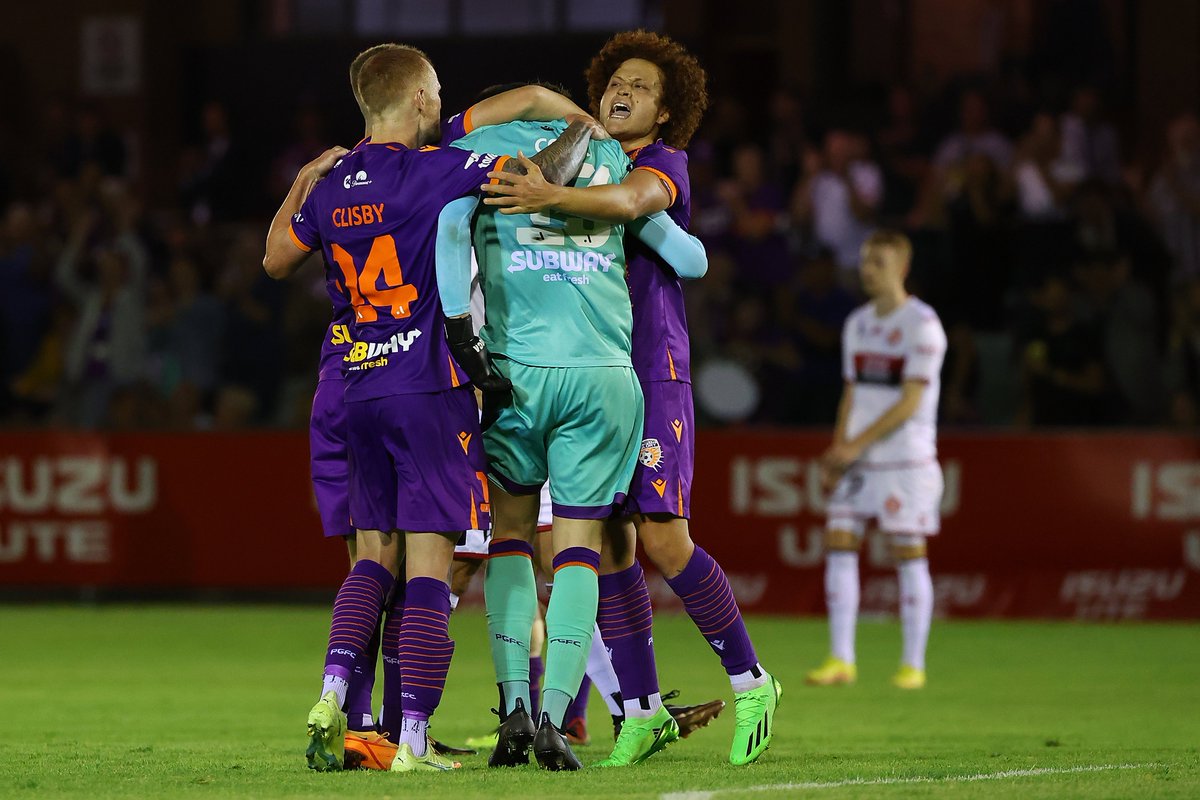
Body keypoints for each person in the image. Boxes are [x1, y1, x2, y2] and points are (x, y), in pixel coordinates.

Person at [263, 43, 598, 773]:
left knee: (369, 561)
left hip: (354, 389)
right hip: (425, 387)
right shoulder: (436, 169)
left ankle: (333, 694)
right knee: (429, 572)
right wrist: (585, 132)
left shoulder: (331, 184)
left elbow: (275, 259)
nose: (442, 104)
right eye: (437, 93)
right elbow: (543, 181)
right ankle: (411, 737)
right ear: (418, 98)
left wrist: (298, 184)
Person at [480, 29, 781, 767]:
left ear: (668, 111)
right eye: (615, 79)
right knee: (606, 545)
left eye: (642, 86)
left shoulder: (659, 163)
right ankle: (639, 709)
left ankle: (752, 681)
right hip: (590, 368)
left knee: (662, 536)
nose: (623, 90)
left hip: (651, 368)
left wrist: (550, 197)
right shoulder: (578, 152)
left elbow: (632, 203)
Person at [806, 229, 947, 690]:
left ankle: (913, 664)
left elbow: (909, 402)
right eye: (865, 261)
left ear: (901, 268)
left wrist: (854, 444)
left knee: (908, 552)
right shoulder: (858, 323)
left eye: (878, 263)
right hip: (858, 458)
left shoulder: (922, 325)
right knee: (840, 543)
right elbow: (852, 392)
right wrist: (838, 447)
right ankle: (841, 659)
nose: (868, 270)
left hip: (905, 461)